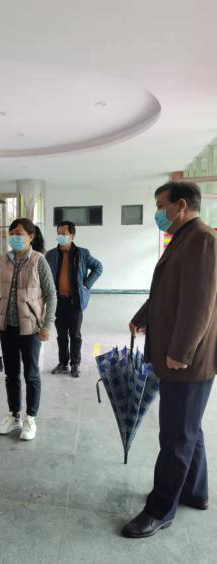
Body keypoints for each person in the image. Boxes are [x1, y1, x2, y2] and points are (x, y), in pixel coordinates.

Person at [122, 181, 217, 539]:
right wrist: (143, 315)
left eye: (161, 206)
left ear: (181, 205)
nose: (158, 213)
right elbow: (166, 290)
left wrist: (181, 352)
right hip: (182, 358)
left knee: (176, 436)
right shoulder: (183, 238)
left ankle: (160, 510)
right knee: (189, 428)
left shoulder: (202, 240)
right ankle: (195, 491)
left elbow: (199, 305)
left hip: (187, 362)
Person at [0, 219, 57, 441]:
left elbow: (51, 295)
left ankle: (30, 418)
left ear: (30, 237)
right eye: (12, 233)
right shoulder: (2, 261)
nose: (15, 237)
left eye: (19, 233)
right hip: (6, 327)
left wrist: (47, 325)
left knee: (31, 375)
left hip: (31, 329)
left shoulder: (38, 260)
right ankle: (14, 415)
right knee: (11, 374)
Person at [46, 221, 103, 378]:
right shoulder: (50, 255)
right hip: (58, 301)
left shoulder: (83, 253)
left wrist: (86, 285)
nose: (60, 236)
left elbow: (98, 267)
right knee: (61, 335)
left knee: (75, 334)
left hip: (75, 301)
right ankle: (63, 363)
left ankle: (75, 364)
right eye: (58, 233)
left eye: (64, 234)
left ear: (72, 236)